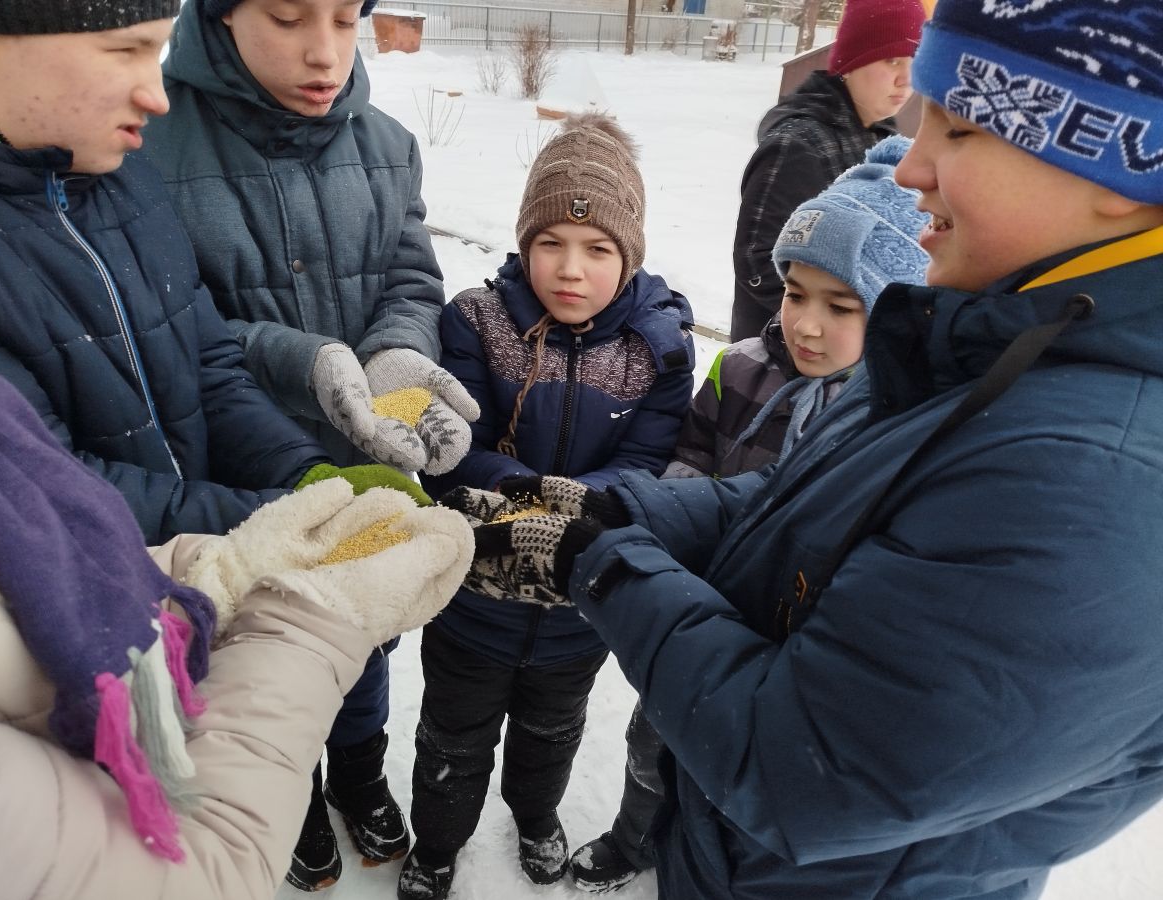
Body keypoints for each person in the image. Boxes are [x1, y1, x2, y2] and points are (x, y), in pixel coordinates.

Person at [449, 0, 1163, 896]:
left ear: (1122, 167)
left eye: (963, 129)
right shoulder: (998, 343)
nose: (913, 165)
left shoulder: (1097, 478)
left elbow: (806, 768)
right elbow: (802, 510)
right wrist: (607, 510)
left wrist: (602, 562)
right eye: (919, 118)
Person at [141, 1, 477, 886]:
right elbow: (177, 322)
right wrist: (302, 361)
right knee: (270, 641)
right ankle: (295, 786)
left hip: (371, 460)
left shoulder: (390, 143)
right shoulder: (150, 140)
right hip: (240, 466)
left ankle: (360, 771)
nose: (324, 52)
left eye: (343, 16)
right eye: (289, 17)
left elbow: (409, 273)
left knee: (362, 638)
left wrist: (397, 353)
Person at [0, 360, 474, 900]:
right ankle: (300, 802)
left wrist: (229, 567)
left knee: (360, 686)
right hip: (177, 744)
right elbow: (196, 874)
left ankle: (354, 780)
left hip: (184, 583)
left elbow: (210, 364)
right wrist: (313, 619)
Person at [568, 134, 929, 893]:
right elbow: (693, 454)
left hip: (781, 650)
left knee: (727, 783)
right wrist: (656, 520)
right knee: (654, 743)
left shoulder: (891, 424)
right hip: (692, 605)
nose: (806, 324)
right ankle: (637, 838)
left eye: (843, 305)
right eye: (796, 293)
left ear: (900, 313)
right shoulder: (743, 366)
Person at [0, 0, 427, 550]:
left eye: (154, 51)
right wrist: (293, 523)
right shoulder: (146, 154)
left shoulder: (121, 180)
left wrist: (307, 477)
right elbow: (41, 487)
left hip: (207, 579)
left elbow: (206, 367)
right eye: (123, 51)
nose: (154, 96)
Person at [400, 113, 695, 900]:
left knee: (551, 730)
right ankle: (437, 844)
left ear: (628, 253)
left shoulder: (657, 347)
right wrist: (533, 494)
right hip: (472, 595)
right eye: (551, 243)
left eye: (598, 249)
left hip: (578, 606)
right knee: (452, 735)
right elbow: (453, 447)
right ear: (525, 240)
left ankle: (535, 817)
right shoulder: (477, 321)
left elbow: (646, 463)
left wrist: (581, 515)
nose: (571, 269)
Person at [731, 0, 926, 342]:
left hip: (850, 364)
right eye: (892, 59)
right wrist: (842, 323)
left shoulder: (882, 139)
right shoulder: (797, 144)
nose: (905, 78)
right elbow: (757, 262)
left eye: (915, 60)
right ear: (852, 60)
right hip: (784, 362)